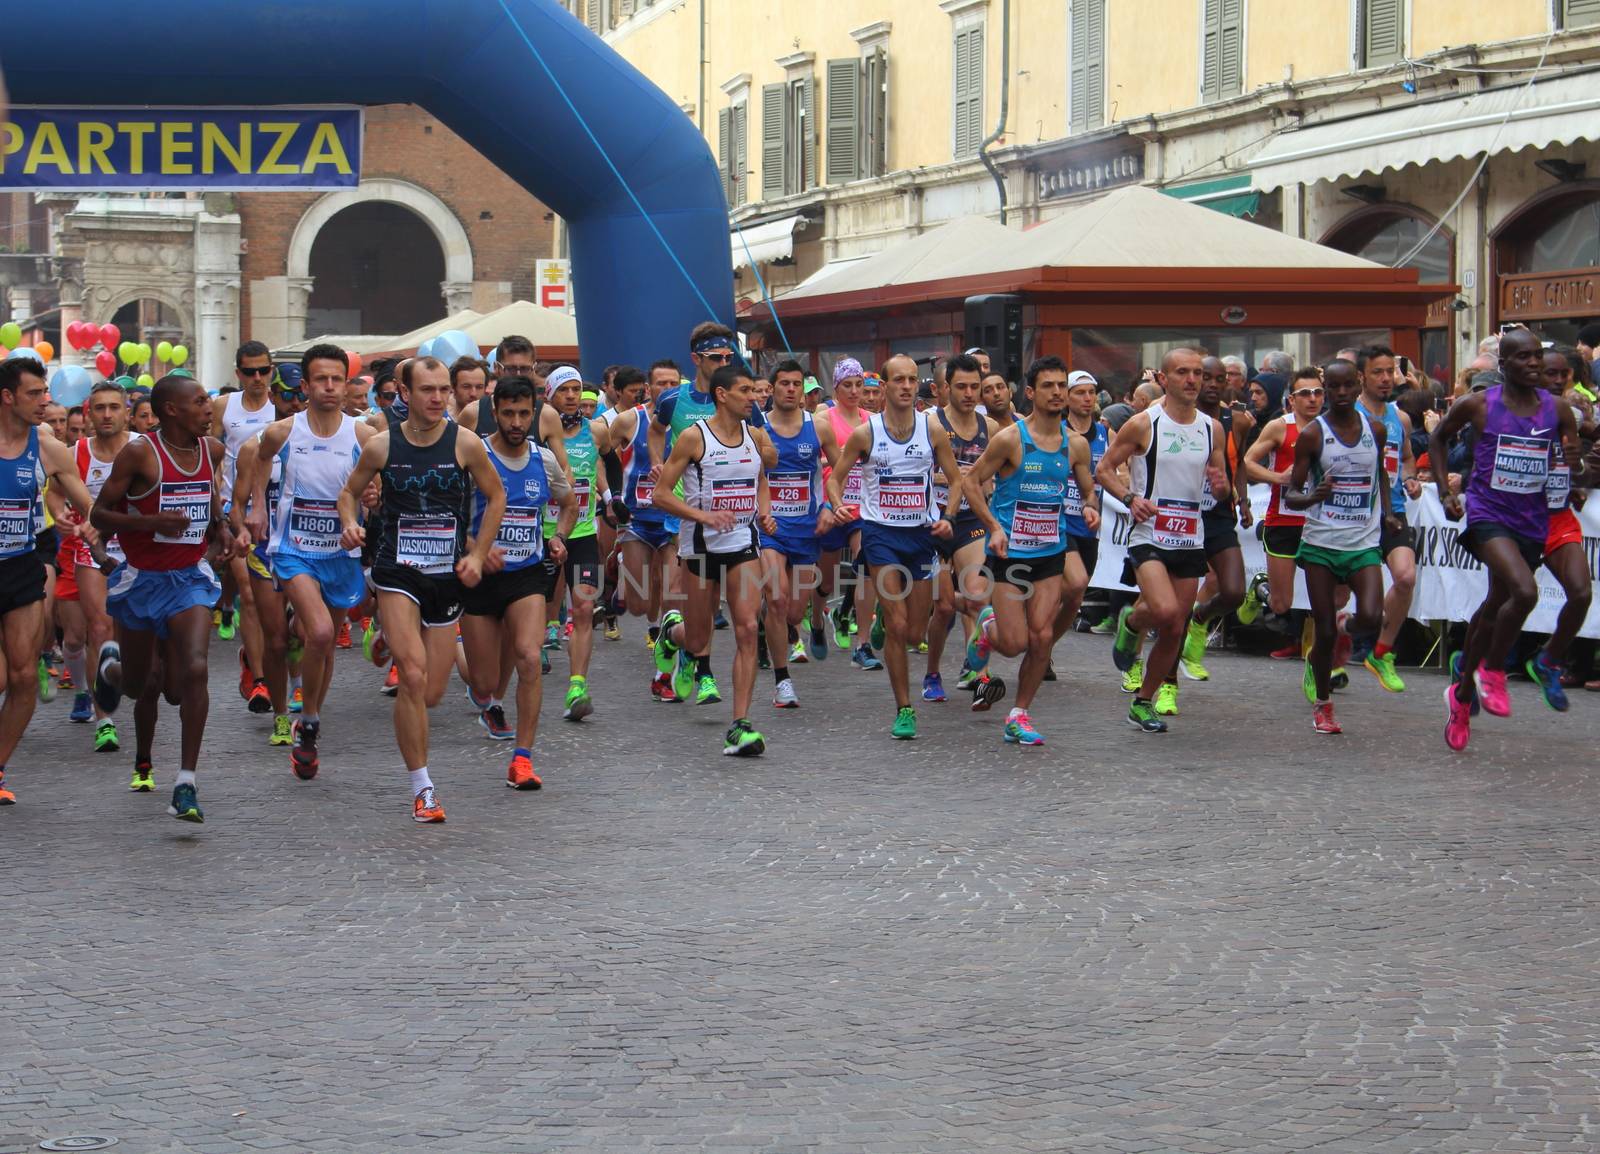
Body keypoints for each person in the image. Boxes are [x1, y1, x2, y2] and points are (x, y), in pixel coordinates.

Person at [338, 355, 505, 822]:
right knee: (411, 677)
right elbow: (349, 492)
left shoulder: (466, 444)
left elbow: (497, 497)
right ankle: (423, 787)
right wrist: (350, 522)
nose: (437, 398)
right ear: (404, 394)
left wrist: (476, 554)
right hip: (397, 572)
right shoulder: (382, 446)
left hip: (445, 575)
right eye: (427, 390)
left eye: (443, 390)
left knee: (430, 693)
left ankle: (387, 637)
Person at [1431, 328, 1582, 752]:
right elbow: (1440, 438)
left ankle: (1461, 696)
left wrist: (1576, 466)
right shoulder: (1478, 405)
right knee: (1524, 590)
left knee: (1498, 606)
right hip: (1487, 513)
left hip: (1532, 520)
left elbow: (1576, 473)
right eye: (1523, 358)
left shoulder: (1559, 411)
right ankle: (1492, 671)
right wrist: (1446, 490)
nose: (1533, 364)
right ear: (1505, 365)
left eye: (1537, 356)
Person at [91, 374, 233, 820]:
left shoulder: (211, 450)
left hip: (189, 577)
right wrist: (150, 523)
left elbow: (209, 498)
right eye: (199, 402)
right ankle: (111, 670)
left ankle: (186, 782)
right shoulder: (140, 454)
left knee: (190, 674)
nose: (209, 409)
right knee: (140, 686)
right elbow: (99, 514)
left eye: (208, 401)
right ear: (172, 410)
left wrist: (222, 526)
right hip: (142, 579)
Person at [246, 344, 376, 778]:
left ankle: (312, 717)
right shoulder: (284, 431)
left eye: (337, 379)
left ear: (347, 384)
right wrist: (259, 509)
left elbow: (375, 481)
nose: (329, 387)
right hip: (293, 547)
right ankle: (306, 717)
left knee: (323, 640)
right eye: (320, 379)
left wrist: (372, 497)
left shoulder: (362, 435)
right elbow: (261, 460)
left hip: (341, 552)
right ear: (305, 385)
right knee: (319, 630)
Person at [826, 354, 966, 739]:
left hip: (921, 535)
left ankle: (886, 635)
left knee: (914, 634)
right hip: (880, 534)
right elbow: (835, 480)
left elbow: (955, 481)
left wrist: (949, 518)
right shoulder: (866, 434)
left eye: (912, 379)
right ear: (884, 386)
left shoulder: (932, 429)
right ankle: (904, 709)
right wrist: (838, 506)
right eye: (898, 380)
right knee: (898, 622)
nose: (906, 386)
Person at [963, 356, 1098, 745]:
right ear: (1031, 392)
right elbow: (972, 483)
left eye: (1062, 386)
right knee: (1015, 642)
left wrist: (1090, 505)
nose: (1057, 393)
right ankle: (986, 629)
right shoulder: (1010, 440)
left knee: (1042, 637)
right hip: (1010, 554)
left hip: (1051, 551)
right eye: (1049, 386)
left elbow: (1087, 486)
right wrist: (993, 527)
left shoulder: (1076, 444)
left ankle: (1019, 713)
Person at [1096, 347, 1227, 734]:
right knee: (1167, 611)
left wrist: (1220, 489)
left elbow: (1218, 487)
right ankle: (1134, 622)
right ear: (1163, 380)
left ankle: (1142, 701)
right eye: (1182, 372)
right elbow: (1103, 469)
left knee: (1174, 627)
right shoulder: (1143, 424)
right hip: (1149, 533)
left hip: (1190, 536)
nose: (1192, 380)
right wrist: (1130, 498)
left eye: (1197, 373)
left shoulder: (1211, 428)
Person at [648, 363, 777, 756]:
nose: (752, 398)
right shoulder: (692, 438)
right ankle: (673, 636)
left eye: (754, 392)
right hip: (701, 548)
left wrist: (765, 510)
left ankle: (740, 725)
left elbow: (761, 480)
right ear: (723, 395)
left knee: (745, 628)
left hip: (743, 544)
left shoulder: (755, 436)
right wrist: (704, 516)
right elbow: (661, 494)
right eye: (744, 392)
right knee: (700, 638)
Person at [460, 375, 577, 787]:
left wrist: (558, 537)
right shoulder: (476, 454)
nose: (515, 421)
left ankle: (522, 759)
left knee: (529, 657)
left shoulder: (542, 460)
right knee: (485, 682)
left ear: (535, 415)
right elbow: (452, 516)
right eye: (507, 413)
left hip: (526, 575)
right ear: (495, 413)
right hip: (480, 579)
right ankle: (478, 685)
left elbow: (569, 503)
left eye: (523, 413)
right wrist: (475, 547)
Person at [1282, 360, 1397, 734]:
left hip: (1362, 541)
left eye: (1349, 385)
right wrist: (1313, 495)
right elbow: (1292, 493)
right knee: (1324, 631)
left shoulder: (1374, 430)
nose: (1343, 393)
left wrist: (1390, 512)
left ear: (1359, 384)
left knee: (1372, 616)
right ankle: (1323, 703)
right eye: (1334, 387)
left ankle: (1350, 627)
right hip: (1320, 544)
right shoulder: (1314, 435)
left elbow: (1379, 472)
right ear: (1325, 390)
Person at [228, 368, 307, 747]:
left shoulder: (322, 440)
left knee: (307, 632)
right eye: (286, 395)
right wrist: (242, 529)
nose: (294, 402)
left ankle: (300, 688)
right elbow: (236, 504)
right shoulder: (253, 447)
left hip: (310, 550)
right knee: (276, 640)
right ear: (273, 398)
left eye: (299, 395)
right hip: (266, 554)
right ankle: (280, 714)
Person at [755, 359, 838, 708]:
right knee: (776, 598)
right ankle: (782, 680)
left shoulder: (818, 427)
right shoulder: (757, 429)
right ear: (772, 389)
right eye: (784, 383)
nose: (790, 389)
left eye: (796, 384)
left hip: (807, 529)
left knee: (791, 613)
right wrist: (761, 512)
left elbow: (838, 469)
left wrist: (830, 507)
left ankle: (766, 625)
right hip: (771, 528)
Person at [55, 380, 131, 753]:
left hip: (140, 551)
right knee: (98, 630)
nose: (106, 415)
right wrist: (59, 516)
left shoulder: (143, 448)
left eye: (113, 407)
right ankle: (104, 720)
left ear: (126, 412)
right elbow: (55, 492)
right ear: (88, 414)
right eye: (99, 408)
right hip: (92, 550)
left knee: (136, 637)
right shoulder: (76, 452)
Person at [1173, 355, 1255, 694]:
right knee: (1171, 602)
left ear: (1228, 384)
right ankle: (1163, 678)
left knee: (1234, 591)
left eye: (1219, 379)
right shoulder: (1173, 418)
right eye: (1204, 376)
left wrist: (1243, 497)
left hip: (1218, 513)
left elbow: (1241, 464)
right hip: (1181, 514)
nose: (1210, 383)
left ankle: (1200, 619)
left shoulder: (1237, 422)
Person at [922, 353, 1000, 706]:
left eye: (975, 387)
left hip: (969, 520)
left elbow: (998, 475)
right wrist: (948, 477)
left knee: (977, 597)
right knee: (943, 608)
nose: (970, 394)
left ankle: (978, 673)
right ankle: (933, 672)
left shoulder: (991, 429)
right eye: (962, 387)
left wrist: (986, 486)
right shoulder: (928, 422)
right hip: (932, 519)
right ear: (945, 389)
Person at [1522, 346, 1593, 711]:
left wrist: (1576, 479)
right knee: (1508, 601)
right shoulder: (1511, 412)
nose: (1558, 380)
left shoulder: (1571, 413)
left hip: (1558, 516)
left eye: (1564, 374)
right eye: (1551, 373)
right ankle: (1471, 662)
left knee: (1580, 593)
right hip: (1518, 517)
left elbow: (1579, 461)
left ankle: (1548, 659)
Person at [607, 360, 683, 696]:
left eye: (674, 384)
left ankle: (663, 672)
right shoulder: (629, 420)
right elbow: (603, 455)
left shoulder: (689, 423)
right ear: (648, 388)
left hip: (672, 522)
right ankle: (620, 569)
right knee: (637, 604)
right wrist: (611, 496)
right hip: (637, 520)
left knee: (671, 596)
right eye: (661, 384)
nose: (668, 390)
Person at [539, 365, 610, 722]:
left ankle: (577, 686)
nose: (570, 396)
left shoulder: (596, 431)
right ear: (549, 395)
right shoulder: (536, 433)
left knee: (583, 610)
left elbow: (605, 459)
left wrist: (610, 497)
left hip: (582, 534)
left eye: (575, 389)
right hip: (540, 536)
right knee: (536, 611)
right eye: (563, 389)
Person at [1351, 344, 1421, 691]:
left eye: (1390, 371)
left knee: (1406, 578)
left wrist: (1409, 478)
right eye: (1377, 372)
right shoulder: (1348, 415)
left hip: (1391, 512)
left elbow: (1407, 457)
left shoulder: (1400, 417)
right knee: (1343, 603)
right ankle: (1327, 656)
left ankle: (1381, 651)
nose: (1386, 378)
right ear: (1361, 376)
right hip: (1352, 515)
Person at [1241, 367, 1325, 654]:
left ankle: (1318, 655)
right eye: (1305, 394)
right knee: (1281, 604)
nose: (1312, 399)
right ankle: (1260, 587)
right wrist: (1278, 478)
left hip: (1320, 522)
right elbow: (1247, 463)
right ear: (1291, 399)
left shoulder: (1332, 428)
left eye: (1317, 392)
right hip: (1284, 519)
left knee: (1330, 597)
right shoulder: (1280, 426)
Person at [211, 342, 277, 665]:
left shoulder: (282, 408)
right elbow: (210, 454)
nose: (257, 378)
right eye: (249, 372)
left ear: (271, 371)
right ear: (238, 374)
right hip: (233, 505)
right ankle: (258, 674)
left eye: (263, 370)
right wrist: (216, 500)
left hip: (275, 509)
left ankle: (265, 655)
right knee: (248, 592)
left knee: (276, 600)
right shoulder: (223, 406)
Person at [814, 358, 877, 667]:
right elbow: (810, 459)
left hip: (862, 507)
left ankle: (862, 644)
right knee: (826, 581)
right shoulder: (824, 417)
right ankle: (817, 619)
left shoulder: (872, 420)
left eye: (858, 385)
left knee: (865, 564)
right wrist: (832, 464)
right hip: (831, 504)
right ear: (836, 388)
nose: (854, 391)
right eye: (847, 386)